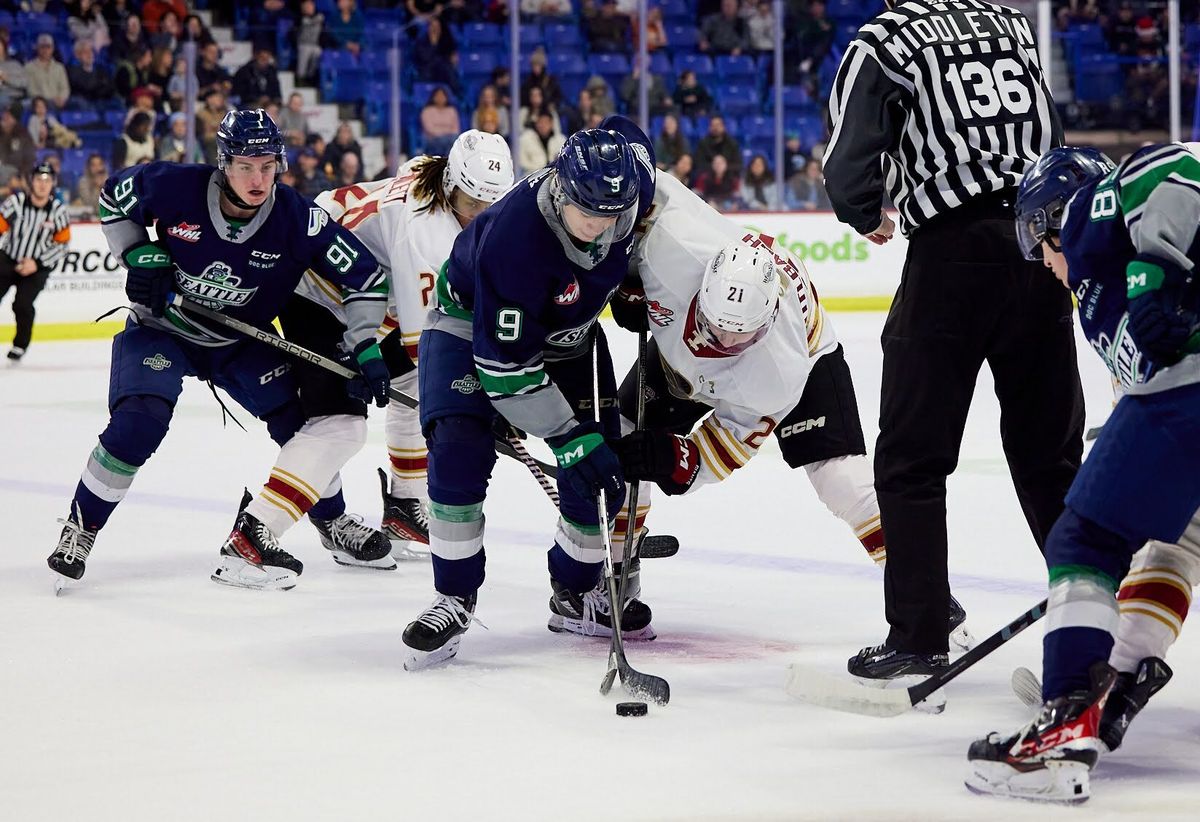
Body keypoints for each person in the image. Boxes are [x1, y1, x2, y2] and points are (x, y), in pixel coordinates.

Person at [822, 0, 1082, 684]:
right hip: (1039, 247)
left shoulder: (887, 35)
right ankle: (1099, 623)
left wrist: (862, 210)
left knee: (911, 455)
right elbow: (1052, 132)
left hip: (951, 254)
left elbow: (848, 157)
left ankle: (919, 635)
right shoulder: (1012, 23)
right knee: (1051, 457)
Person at [46, 110, 388, 592]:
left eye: (268, 165)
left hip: (238, 341)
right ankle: (81, 528)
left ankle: (332, 522)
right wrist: (137, 253)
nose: (258, 179)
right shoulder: (172, 186)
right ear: (223, 163)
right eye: (246, 165)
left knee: (304, 428)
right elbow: (112, 199)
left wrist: (366, 342)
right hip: (162, 328)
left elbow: (367, 279)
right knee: (138, 421)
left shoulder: (299, 219)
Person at [964, 145, 1200, 803]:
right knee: (1174, 542)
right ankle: (1118, 680)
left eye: (1040, 241)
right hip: (1180, 406)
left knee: (1084, 541)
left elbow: (1178, 173)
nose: (1043, 261)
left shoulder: (1092, 222)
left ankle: (1059, 734)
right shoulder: (1099, 290)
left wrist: (1157, 267)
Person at [400, 117, 654, 669]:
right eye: (587, 212)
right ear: (561, 187)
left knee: (597, 466)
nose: (600, 226)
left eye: (612, 215)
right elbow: (505, 367)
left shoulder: (630, 185)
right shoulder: (515, 241)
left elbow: (624, 130)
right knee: (459, 449)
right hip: (470, 328)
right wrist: (562, 434)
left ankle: (575, 590)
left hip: (571, 338)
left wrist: (636, 285)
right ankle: (453, 595)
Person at [302, 130, 515, 560]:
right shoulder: (426, 232)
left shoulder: (443, 179)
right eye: (472, 203)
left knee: (413, 387)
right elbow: (431, 345)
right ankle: (325, 514)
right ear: (452, 185)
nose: (481, 214)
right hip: (319, 285)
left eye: (491, 204)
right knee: (333, 418)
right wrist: (483, 401)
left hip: (375, 287)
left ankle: (403, 507)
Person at [0, 162, 69, 363]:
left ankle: (20, 345)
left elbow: (62, 246)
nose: (42, 184)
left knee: (22, 304)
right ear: (31, 181)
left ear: (53, 184)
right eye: (39, 179)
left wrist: (36, 263)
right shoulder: (16, 202)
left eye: (47, 180)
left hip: (37, 267)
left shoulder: (58, 211)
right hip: (8, 258)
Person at [25, 34, 70, 110]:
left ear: (52, 49)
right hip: (40, 102)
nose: (45, 50)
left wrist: (62, 98)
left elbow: (65, 88)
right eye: (42, 47)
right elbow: (31, 90)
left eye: (48, 47)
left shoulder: (59, 67)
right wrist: (49, 99)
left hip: (59, 101)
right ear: (37, 48)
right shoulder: (29, 67)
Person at [68, 40, 116, 107]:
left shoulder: (101, 70)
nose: (89, 54)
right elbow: (84, 89)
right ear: (77, 55)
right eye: (85, 52)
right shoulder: (73, 71)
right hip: (84, 103)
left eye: (91, 51)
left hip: (101, 101)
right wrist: (99, 89)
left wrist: (99, 91)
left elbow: (110, 88)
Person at [419, 87, 460, 157]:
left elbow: (455, 129)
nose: (440, 98)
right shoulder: (427, 111)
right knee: (446, 142)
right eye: (437, 95)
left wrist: (446, 135)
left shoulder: (452, 111)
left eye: (442, 95)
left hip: (450, 139)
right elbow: (429, 129)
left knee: (454, 140)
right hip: (432, 139)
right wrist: (445, 134)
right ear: (433, 97)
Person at [72, 152, 108, 217]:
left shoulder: (109, 181)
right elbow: (89, 205)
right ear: (89, 167)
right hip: (90, 218)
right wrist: (97, 188)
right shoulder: (83, 182)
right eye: (93, 165)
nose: (97, 168)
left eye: (100, 164)